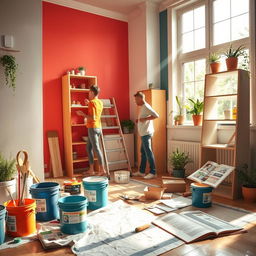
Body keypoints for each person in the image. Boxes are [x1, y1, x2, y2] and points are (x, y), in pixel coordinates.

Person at [76, 85, 106, 176]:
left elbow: (92, 117)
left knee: (96, 148)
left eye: (89, 92)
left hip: (92, 127)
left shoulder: (92, 103)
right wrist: (88, 104)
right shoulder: (99, 102)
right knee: (88, 148)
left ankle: (102, 170)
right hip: (98, 127)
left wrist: (82, 114)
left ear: (92, 93)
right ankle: (91, 169)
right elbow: (96, 113)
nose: (88, 93)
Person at [133, 91, 159, 179]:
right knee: (143, 153)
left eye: (136, 99)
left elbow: (156, 115)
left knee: (148, 152)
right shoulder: (143, 107)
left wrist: (145, 119)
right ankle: (141, 171)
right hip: (143, 133)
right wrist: (139, 120)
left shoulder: (146, 106)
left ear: (140, 98)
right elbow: (144, 119)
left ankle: (153, 172)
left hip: (146, 133)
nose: (135, 101)